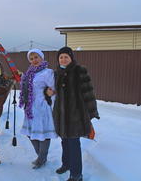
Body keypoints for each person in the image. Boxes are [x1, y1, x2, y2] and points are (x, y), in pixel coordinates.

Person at [48, 46, 100, 181]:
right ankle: (66, 164)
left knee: (73, 144)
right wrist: (47, 93)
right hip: (61, 115)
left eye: (66, 57)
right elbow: (51, 91)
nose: (63, 59)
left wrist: (91, 113)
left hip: (75, 115)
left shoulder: (79, 71)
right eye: (61, 57)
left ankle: (76, 174)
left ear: (71, 58)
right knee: (64, 141)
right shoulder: (56, 73)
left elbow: (88, 92)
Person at [19, 48, 58, 169]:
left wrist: (50, 100)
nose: (34, 60)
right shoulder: (29, 73)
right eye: (31, 58)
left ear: (42, 58)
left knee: (43, 134)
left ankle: (41, 158)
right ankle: (41, 156)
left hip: (42, 107)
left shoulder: (47, 72)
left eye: (36, 57)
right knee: (30, 133)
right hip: (30, 108)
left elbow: (54, 89)